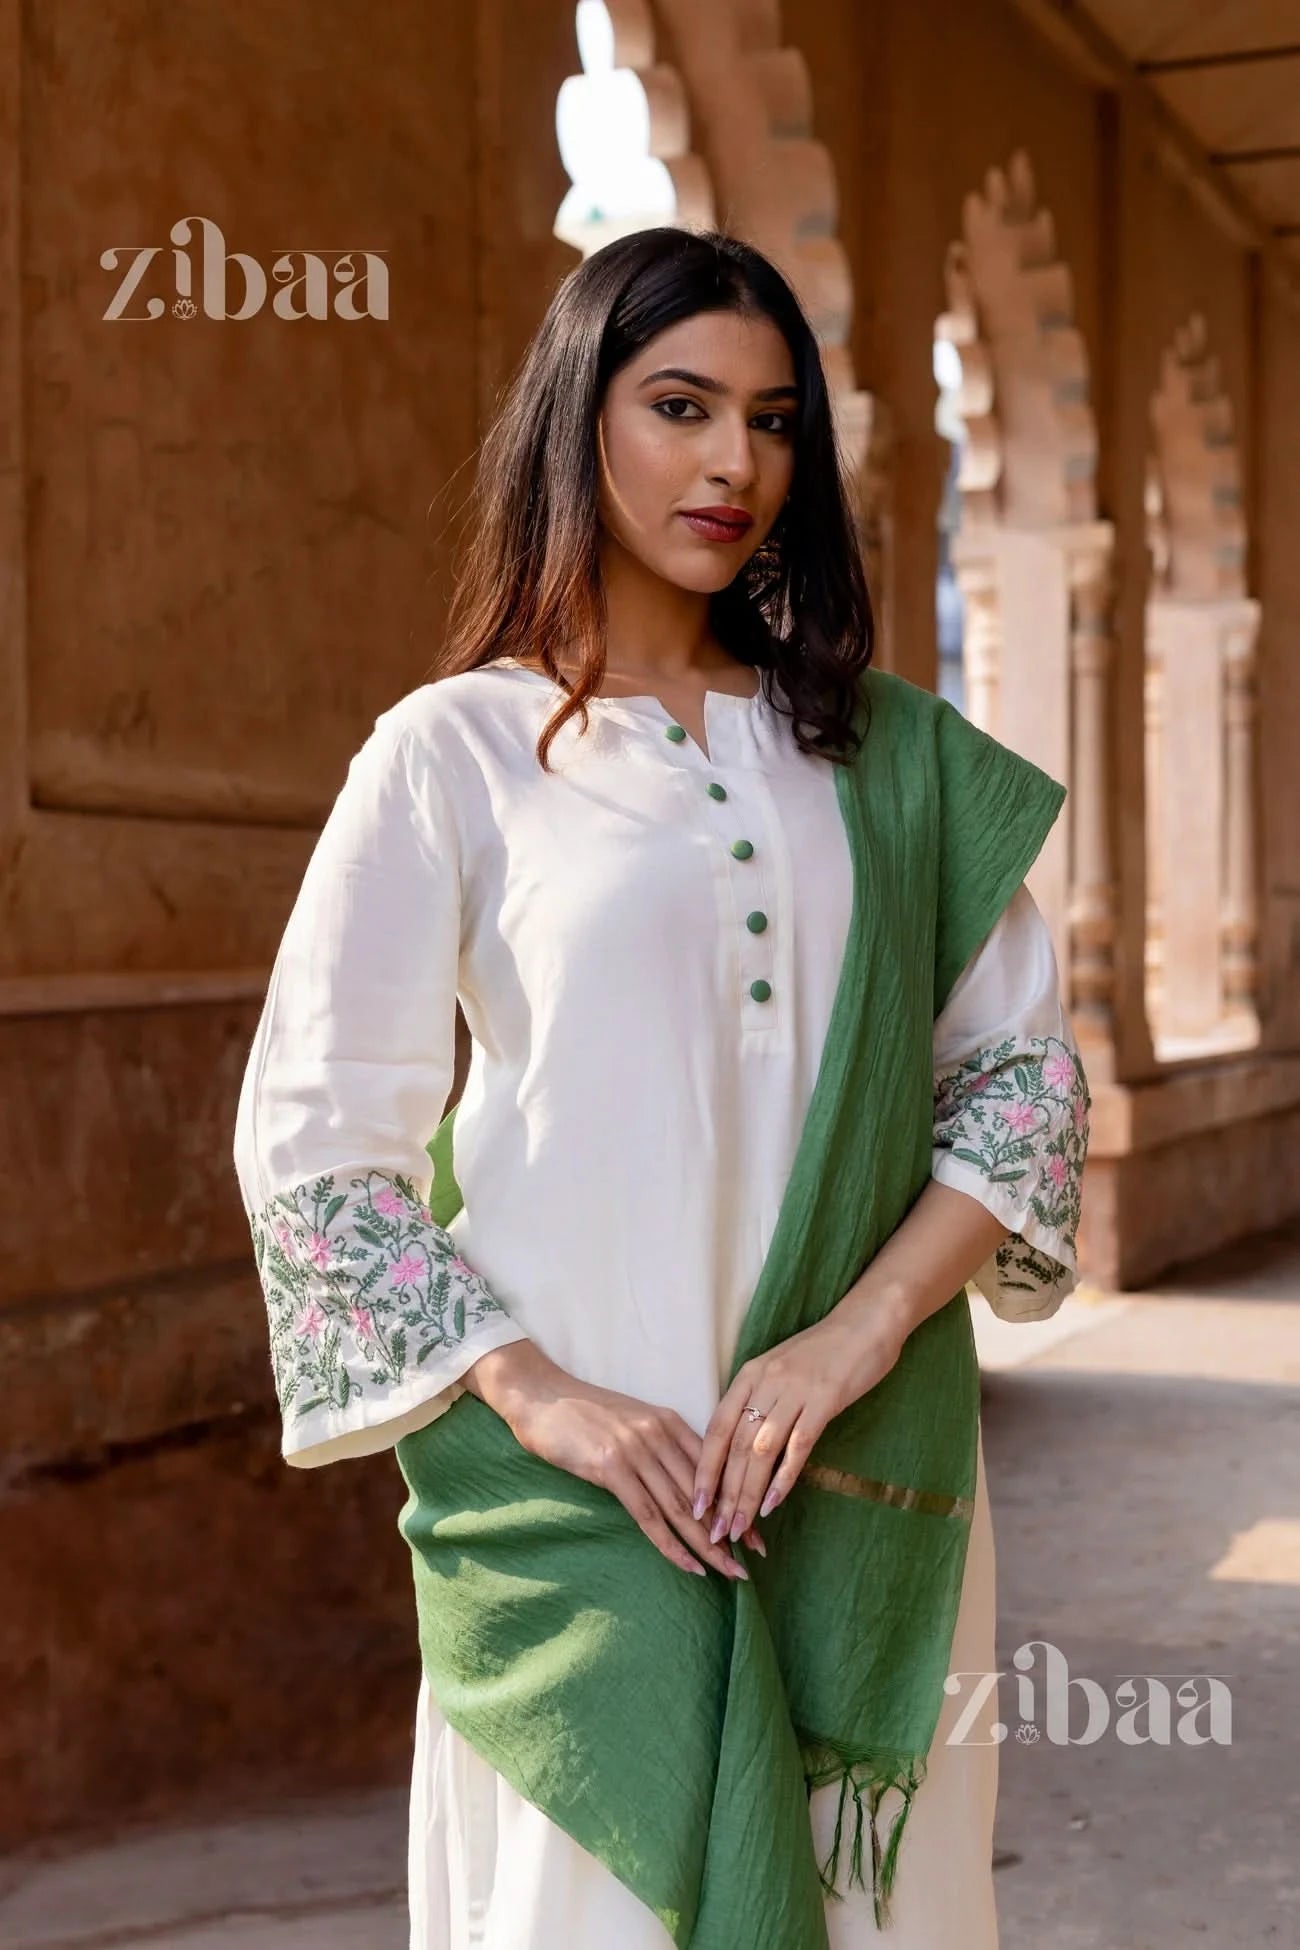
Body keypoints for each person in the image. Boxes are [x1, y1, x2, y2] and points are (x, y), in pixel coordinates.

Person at [232, 227, 1091, 1950]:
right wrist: (542, 1396)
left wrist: (853, 1341)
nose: (732, 464)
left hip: (852, 1491)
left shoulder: (885, 757)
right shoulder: (453, 752)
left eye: (773, 421)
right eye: (680, 405)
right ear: (580, 419)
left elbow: (1020, 1088)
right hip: (582, 1511)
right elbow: (319, 1142)